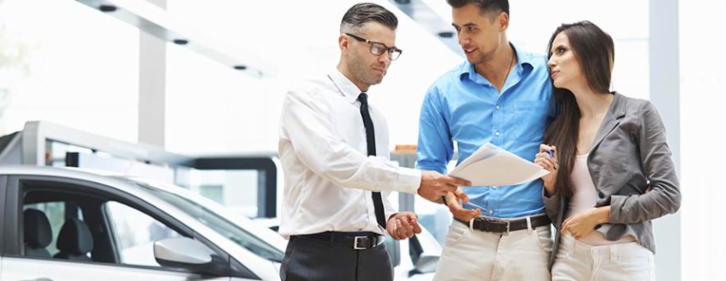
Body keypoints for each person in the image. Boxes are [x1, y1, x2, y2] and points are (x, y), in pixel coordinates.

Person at [277, 3, 470, 281]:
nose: (385, 59)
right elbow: (334, 162)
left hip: (375, 259)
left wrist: (388, 216)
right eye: (377, 48)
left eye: (391, 51)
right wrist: (416, 180)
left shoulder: (376, 117)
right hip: (318, 259)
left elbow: (369, 186)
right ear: (345, 43)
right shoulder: (306, 98)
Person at [416, 0, 555, 280]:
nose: (462, 40)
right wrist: (447, 195)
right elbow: (428, 169)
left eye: (472, 28)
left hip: (529, 240)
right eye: (457, 29)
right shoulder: (441, 92)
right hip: (465, 239)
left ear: (502, 22)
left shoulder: (548, 79)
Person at [534, 20, 681, 281]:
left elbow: (668, 196)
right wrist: (551, 186)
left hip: (624, 260)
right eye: (551, 54)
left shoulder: (638, 114)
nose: (550, 62)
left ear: (589, 54)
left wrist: (601, 214)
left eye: (561, 51)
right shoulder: (559, 128)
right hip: (569, 259)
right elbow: (557, 214)